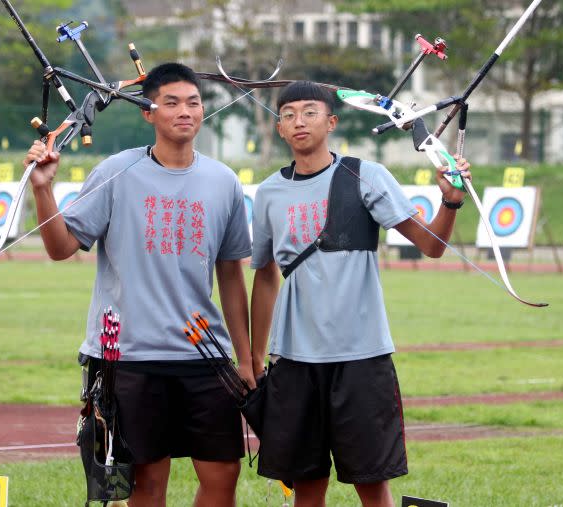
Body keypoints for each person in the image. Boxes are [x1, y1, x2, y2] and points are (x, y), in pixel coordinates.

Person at [23, 62, 254, 507]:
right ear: (148, 113)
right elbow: (60, 247)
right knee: (147, 485)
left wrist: (245, 359)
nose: (184, 111)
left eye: (193, 102)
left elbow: (230, 273)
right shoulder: (116, 171)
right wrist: (43, 190)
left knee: (224, 475)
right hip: (129, 359)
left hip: (203, 354)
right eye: (171, 103)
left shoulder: (224, 181)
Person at [249, 81, 472, 507]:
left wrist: (451, 202)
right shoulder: (269, 193)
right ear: (279, 127)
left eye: (310, 112)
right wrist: (256, 357)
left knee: (372, 485)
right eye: (289, 113)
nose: (299, 121)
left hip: (361, 357)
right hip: (294, 360)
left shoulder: (364, 174)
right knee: (306, 486)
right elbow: (264, 277)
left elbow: (431, 246)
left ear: (331, 121)